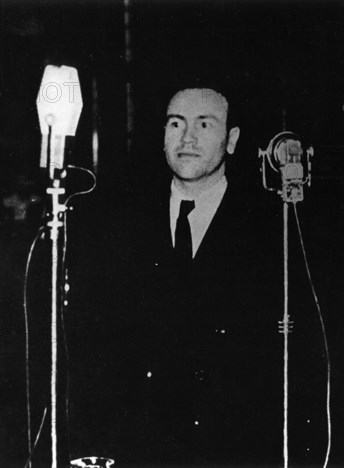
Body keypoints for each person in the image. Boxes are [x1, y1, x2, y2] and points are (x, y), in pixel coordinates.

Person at [68, 85, 283, 466]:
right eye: (176, 124)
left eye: (204, 124)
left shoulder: (270, 230)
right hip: (138, 446)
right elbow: (95, 345)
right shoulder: (120, 224)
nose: (187, 138)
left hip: (233, 448)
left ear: (231, 140)